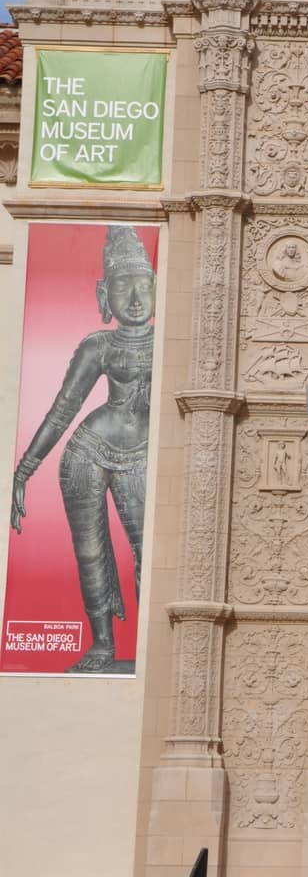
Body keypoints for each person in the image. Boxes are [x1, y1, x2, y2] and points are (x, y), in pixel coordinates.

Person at [10, 226, 156, 672]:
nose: (134, 298)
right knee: (90, 551)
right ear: (102, 292)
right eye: (121, 285)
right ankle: (102, 645)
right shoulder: (99, 346)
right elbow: (62, 411)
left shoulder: (171, 340)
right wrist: (24, 468)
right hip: (87, 452)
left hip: (144, 451)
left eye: (144, 285)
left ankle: (152, 643)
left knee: (148, 550)